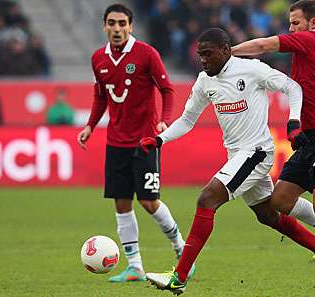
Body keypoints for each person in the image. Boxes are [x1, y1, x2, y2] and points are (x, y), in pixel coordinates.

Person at [142, 28, 315, 295]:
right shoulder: (204, 81)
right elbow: (187, 120)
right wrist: (160, 140)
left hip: (256, 152)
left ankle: (179, 277)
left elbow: (292, 86)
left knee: (207, 199)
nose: (203, 60)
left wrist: (293, 121)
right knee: (267, 214)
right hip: (237, 154)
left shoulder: (251, 69)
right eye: (200, 55)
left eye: (208, 54)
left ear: (225, 50)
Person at [231, 1, 315, 296]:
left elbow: (264, 45)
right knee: (279, 201)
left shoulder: (311, 39)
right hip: (311, 139)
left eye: (295, 23)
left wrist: (229, 52)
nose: (290, 29)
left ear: (313, 23)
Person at [76, 4, 192, 283]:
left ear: (131, 26)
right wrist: (91, 126)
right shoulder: (98, 59)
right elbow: (100, 96)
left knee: (150, 202)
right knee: (121, 203)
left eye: (122, 24)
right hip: (116, 142)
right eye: (112, 23)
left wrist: (164, 120)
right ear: (104, 26)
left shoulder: (146, 54)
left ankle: (181, 250)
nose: (117, 29)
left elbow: (166, 89)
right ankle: (135, 267)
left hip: (145, 140)